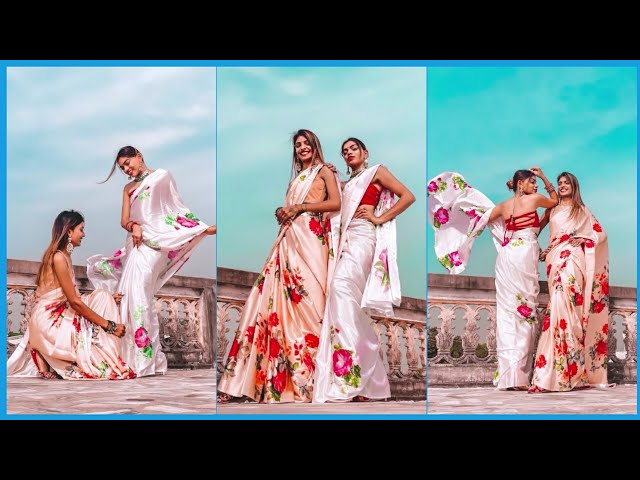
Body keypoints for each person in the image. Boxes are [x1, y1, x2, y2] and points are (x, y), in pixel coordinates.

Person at [217, 129, 341, 403]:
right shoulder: (297, 178)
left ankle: (309, 380)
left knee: (311, 304)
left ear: (315, 145)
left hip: (311, 242)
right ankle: (261, 382)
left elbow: (335, 202)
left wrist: (298, 207)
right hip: (289, 239)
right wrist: (284, 211)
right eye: (298, 145)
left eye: (306, 143)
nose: (302, 148)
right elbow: (296, 206)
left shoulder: (324, 172)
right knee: (274, 304)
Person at [87, 146, 216, 377]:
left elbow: (175, 209)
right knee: (134, 296)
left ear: (139, 155)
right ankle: (140, 359)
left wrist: (200, 228)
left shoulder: (162, 176)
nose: (127, 169)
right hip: (135, 243)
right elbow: (124, 220)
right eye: (122, 167)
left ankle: (142, 360)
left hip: (156, 243)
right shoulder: (128, 188)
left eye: (128, 162)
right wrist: (134, 226)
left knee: (139, 294)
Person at [428, 168, 558, 390]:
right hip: (524, 254)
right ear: (521, 184)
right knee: (525, 313)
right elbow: (554, 201)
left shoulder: (502, 207)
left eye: (537, 182)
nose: (535, 186)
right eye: (532, 181)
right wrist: (546, 178)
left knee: (509, 315)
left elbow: (490, 221)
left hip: (507, 257)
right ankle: (518, 377)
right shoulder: (535, 199)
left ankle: (510, 376)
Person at [313, 137, 416, 403]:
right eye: (344, 151)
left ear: (365, 152)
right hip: (345, 239)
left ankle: (357, 374)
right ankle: (366, 380)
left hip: (364, 238)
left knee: (341, 289)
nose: (348, 153)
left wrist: (380, 218)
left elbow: (408, 196)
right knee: (343, 302)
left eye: (353, 149)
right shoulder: (348, 185)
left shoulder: (376, 172)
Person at [7, 210, 136, 380]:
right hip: (48, 321)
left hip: (58, 315)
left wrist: (107, 299)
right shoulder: (58, 258)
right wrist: (109, 325)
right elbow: (74, 302)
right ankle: (106, 358)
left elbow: (72, 297)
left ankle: (106, 356)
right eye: (81, 229)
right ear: (69, 231)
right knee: (101, 301)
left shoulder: (64, 256)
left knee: (103, 296)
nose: (84, 234)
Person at [529, 172, 609, 393]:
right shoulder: (551, 209)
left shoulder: (582, 210)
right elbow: (532, 231)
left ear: (574, 186)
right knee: (556, 307)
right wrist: (544, 248)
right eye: (559, 184)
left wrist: (586, 239)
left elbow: (601, 235)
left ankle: (572, 373)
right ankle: (550, 376)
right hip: (555, 261)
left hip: (574, 259)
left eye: (566, 183)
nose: (562, 186)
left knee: (570, 309)